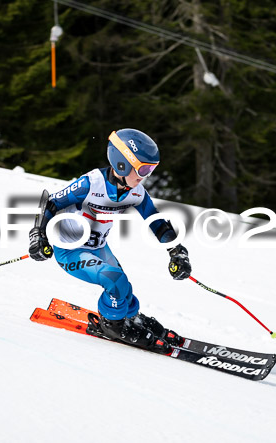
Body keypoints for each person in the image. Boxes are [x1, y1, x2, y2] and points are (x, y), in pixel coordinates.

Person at [28, 128, 192, 353]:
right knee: (114, 280)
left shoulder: (136, 192)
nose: (144, 176)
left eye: (151, 169)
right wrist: (38, 235)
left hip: (98, 248)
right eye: (143, 168)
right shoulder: (90, 184)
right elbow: (51, 203)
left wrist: (177, 251)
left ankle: (130, 318)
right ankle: (113, 326)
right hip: (71, 251)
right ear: (122, 164)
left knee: (124, 288)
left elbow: (156, 221)